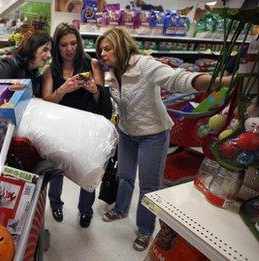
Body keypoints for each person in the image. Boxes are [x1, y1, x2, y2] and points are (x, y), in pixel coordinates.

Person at [96, 28, 231, 251]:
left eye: (107, 48)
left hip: (153, 134)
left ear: (121, 45)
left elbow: (177, 78)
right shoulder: (111, 73)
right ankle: (120, 209)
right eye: (101, 49)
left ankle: (146, 230)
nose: (102, 53)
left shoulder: (145, 65)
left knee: (149, 185)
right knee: (125, 175)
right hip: (127, 132)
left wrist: (220, 81)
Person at [42, 22, 113, 228]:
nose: (69, 49)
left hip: (87, 128)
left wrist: (94, 89)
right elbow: (46, 102)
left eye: (73, 43)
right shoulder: (50, 69)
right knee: (57, 169)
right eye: (64, 45)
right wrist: (63, 89)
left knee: (88, 169)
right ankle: (55, 204)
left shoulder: (92, 64)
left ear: (79, 43)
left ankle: (85, 210)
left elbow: (103, 99)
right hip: (59, 128)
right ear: (57, 46)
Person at [0, 31, 52, 97]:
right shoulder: (9, 64)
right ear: (32, 47)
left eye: (50, 51)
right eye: (45, 50)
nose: (49, 55)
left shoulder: (34, 71)